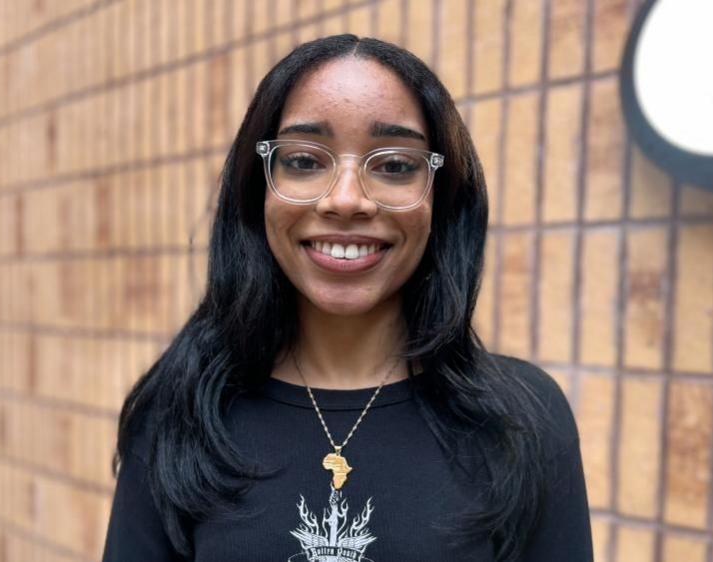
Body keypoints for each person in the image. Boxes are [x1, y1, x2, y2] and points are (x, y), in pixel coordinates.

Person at [101, 34, 592, 562]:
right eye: (305, 160)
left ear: (441, 199)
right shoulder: (179, 411)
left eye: (395, 166)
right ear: (256, 189)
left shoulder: (523, 420)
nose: (345, 200)